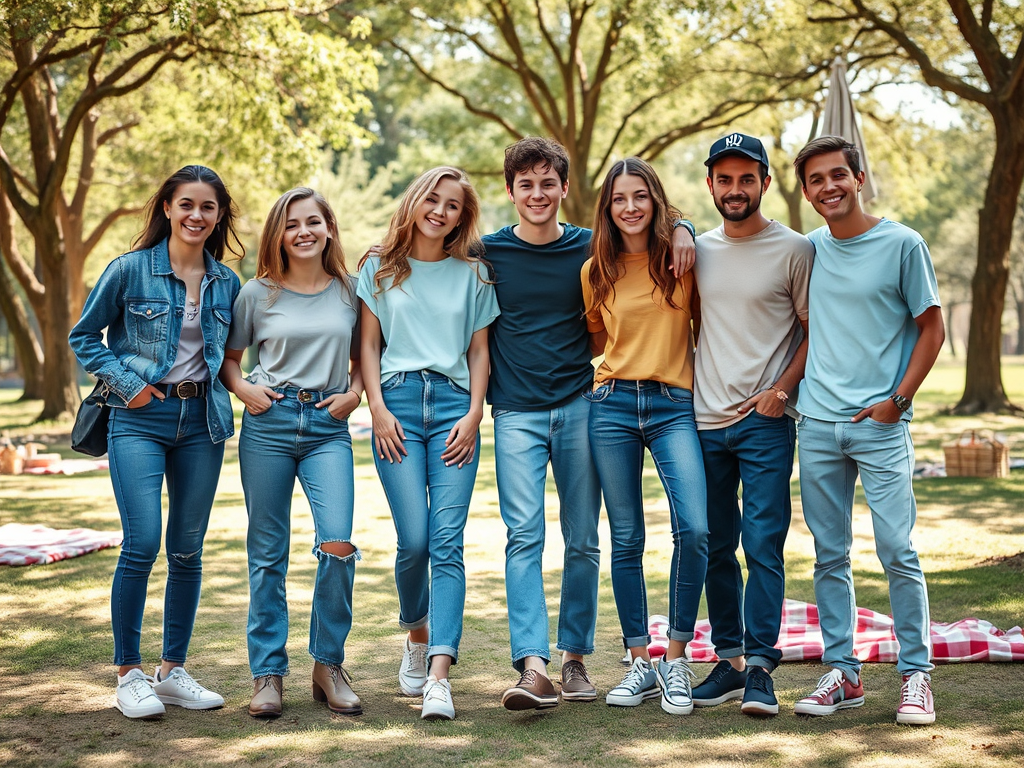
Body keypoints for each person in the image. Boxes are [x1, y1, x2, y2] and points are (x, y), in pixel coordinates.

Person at [484, 138, 697, 711]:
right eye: (525, 184)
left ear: (565, 189)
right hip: (516, 415)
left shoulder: (589, 251)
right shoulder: (488, 253)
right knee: (523, 536)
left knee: (583, 539)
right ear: (510, 191)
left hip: (583, 405)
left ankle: (574, 659)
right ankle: (533, 667)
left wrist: (685, 227)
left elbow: (646, 228)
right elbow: (430, 247)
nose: (537, 194)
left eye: (547, 183)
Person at [69, 165, 242, 719]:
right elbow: (83, 337)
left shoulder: (227, 282)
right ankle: (129, 674)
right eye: (186, 204)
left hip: (202, 424)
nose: (197, 215)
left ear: (219, 216)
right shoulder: (128, 270)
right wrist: (131, 386)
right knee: (142, 541)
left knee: (187, 549)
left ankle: (172, 671)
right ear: (167, 207)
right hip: (138, 419)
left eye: (208, 207)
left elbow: (233, 357)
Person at [791, 136, 944, 725]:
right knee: (829, 556)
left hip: (880, 427)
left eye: (838, 175)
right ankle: (843, 672)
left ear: (858, 178)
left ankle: (915, 675)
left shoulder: (903, 244)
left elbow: (931, 328)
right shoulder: (808, 250)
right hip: (819, 427)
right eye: (816, 181)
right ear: (806, 193)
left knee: (898, 551)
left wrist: (897, 401)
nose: (828, 187)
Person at [357, 166, 500, 721]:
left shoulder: (475, 275)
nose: (440, 211)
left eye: (453, 206)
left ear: (464, 217)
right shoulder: (378, 267)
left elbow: (480, 353)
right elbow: (367, 347)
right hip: (395, 406)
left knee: (447, 540)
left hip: (452, 410)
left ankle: (439, 674)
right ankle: (417, 634)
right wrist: (378, 409)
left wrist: (473, 414)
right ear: (416, 202)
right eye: (433, 200)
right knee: (413, 540)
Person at [222, 188, 364, 719]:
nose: (302, 231)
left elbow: (365, 356)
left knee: (339, 544)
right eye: (291, 224)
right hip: (269, 422)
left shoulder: (352, 292)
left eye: (312, 222)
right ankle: (267, 674)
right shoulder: (256, 293)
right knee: (267, 553)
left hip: (328, 426)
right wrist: (243, 389)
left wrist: (355, 394)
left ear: (328, 228)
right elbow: (231, 361)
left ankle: (328, 666)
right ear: (277, 234)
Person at [689, 133, 813, 717]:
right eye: (724, 179)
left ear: (764, 181)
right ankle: (730, 662)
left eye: (746, 178)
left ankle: (762, 667)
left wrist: (782, 391)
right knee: (716, 546)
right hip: (703, 422)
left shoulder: (794, 250)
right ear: (711, 184)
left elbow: (813, 329)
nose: (734, 189)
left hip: (765, 423)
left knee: (763, 545)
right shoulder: (695, 250)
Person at [581, 157, 707, 716]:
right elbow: (594, 338)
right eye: (618, 199)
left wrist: (684, 228)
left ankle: (676, 657)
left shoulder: (683, 259)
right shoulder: (596, 271)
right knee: (626, 539)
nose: (629, 207)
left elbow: (706, 323)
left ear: (656, 200)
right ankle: (640, 661)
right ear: (607, 208)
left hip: (674, 404)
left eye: (640, 196)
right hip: (609, 406)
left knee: (696, 528)